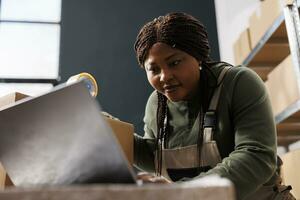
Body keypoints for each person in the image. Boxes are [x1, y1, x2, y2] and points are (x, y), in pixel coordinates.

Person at [133, 12, 295, 200]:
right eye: (154, 69)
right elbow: (153, 156)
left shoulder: (237, 83)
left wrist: (184, 192)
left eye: (174, 62)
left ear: (198, 56)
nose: (165, 76)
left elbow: (256, 157)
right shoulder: (157, 105)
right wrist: (108, 129)